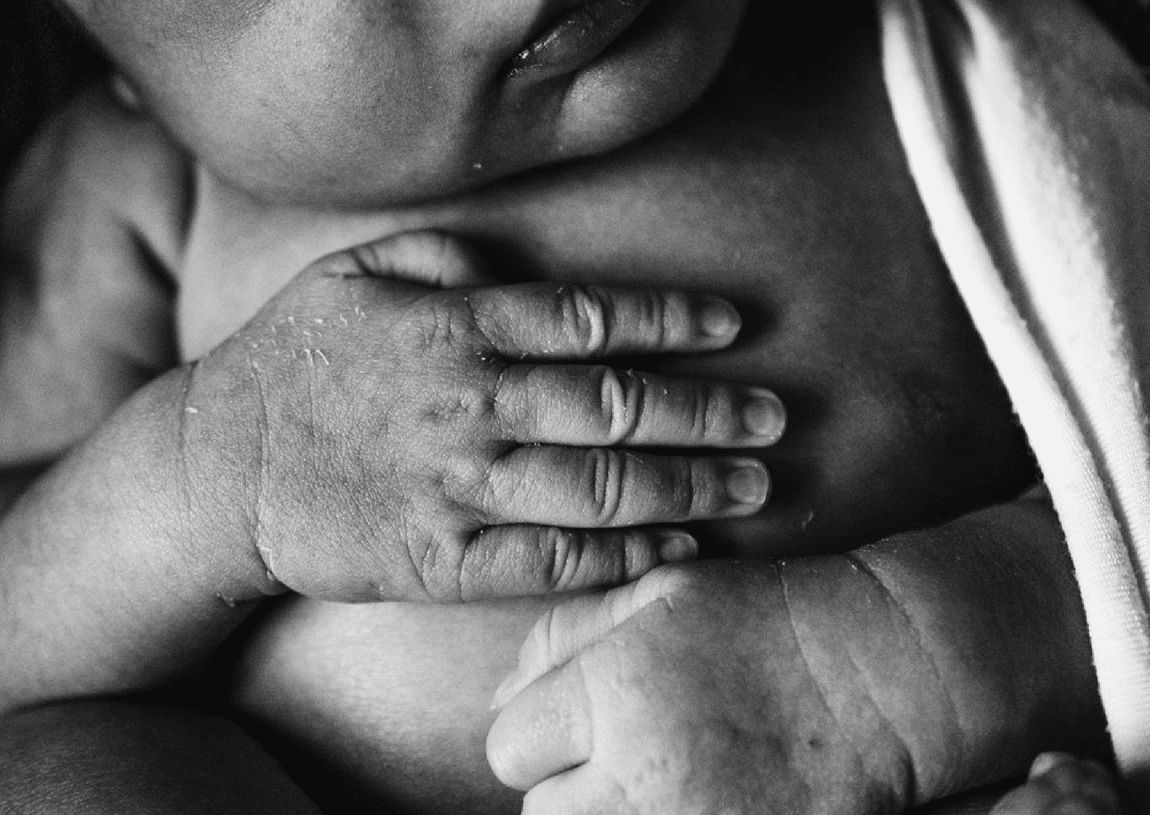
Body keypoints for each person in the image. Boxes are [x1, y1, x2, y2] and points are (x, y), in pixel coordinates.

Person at [0, 0, 1140, 812]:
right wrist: (208, 473)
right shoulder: (129, 189)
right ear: (127, 70)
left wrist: (909, 667)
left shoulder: (947, 50)